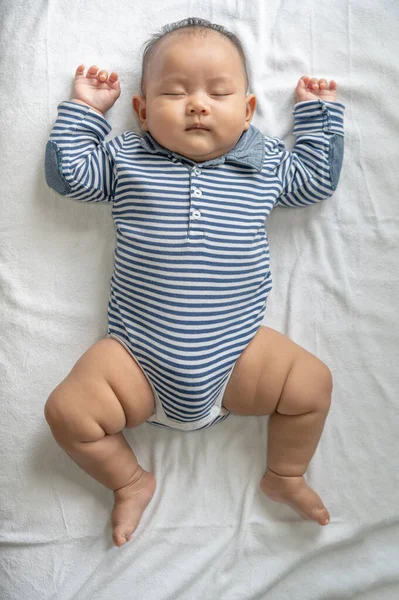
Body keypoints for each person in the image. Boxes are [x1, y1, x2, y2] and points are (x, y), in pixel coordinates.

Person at [44, 17, 345, 547]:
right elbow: (69, 176)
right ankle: (130, 480)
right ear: (140, 111)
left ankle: (286, 474)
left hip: (237, 353)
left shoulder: (265, 161)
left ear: (248, 111)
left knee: (312, 384)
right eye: (174, 92)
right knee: (66, 412)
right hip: (136, 357)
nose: (197, 104)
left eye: (219, 92)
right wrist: (87, 111)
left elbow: (314, 182)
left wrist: (317, 118)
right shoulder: (126, 156)